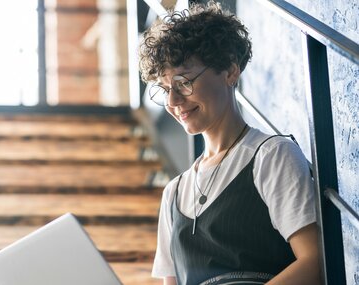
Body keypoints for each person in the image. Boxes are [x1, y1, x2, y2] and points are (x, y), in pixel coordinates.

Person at [138, 2, 321, 284]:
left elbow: (315, 263)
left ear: (230, 71)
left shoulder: (271, 156)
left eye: (183, 82)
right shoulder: (173, 193)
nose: (173, 102)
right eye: (165, 90)